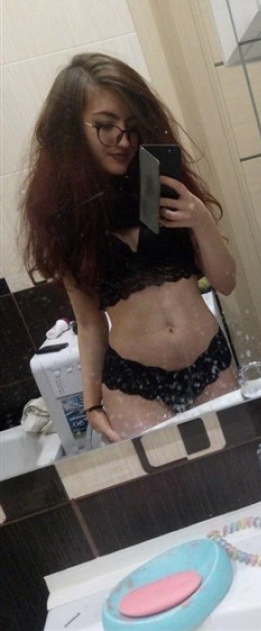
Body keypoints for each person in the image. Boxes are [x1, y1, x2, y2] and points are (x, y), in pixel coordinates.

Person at [21, 53, 238, 442]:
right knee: (171, 479)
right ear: (71, 130)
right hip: (132, 385)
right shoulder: (67, 221)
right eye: (106, 126)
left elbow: (226, 282)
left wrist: (203, 222)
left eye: (131, 127)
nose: (123, 140)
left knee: (236, 460)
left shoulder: (161, 184)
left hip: (211, 361)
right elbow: (89, 324)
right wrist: (91, 404)